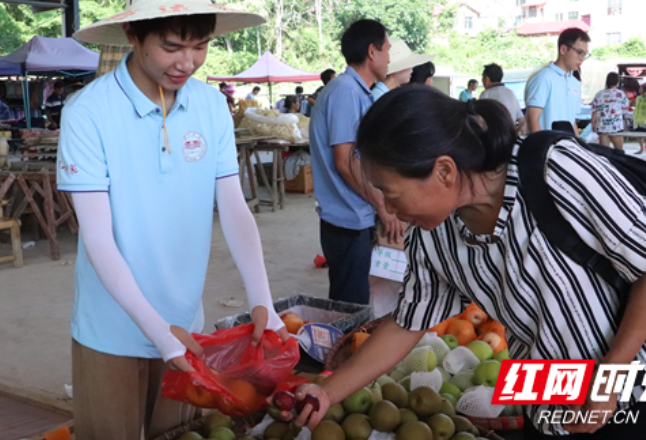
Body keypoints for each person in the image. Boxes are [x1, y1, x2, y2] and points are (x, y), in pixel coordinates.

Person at [290, 84, 646, 439]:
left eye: (391, 194)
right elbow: (408, 324)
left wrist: (609, 383)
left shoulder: (555, 170)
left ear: (444, 171)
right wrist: (328, 391)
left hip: (627, 383)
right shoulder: (432, 235)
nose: (387, 209)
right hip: (543, 388)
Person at [58, 2, 287, 439]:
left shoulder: (209, 106)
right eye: (172, 46)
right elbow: (99, 239)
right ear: (133, 35)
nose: (187, 62)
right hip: (111, 330)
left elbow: (234, 207)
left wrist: (264, 301)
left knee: (181, 435)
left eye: (200, 46)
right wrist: (160, 335)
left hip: (188, 322)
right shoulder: (88, 113)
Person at [309, 19, 404, 305]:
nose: (390, 59)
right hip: (346, 220)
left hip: (355, 216)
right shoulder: (346, 91)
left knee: (358, 299)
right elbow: (345, 161)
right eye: (387, 50)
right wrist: (381, 206)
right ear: (372, 52)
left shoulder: (357, 91)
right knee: (350, 306)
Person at [526, 28, 590, 133]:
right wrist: (543, 147)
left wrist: (577, 146)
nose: (582, 58)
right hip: (548, 146)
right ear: (563, 49)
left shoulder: (575, 83)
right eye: (579, 52)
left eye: (585, 55)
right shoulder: (543, 78)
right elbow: (532, 119)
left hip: (566, 147)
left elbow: (572, 122)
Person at [480, 63, 526, 135]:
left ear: (486, 79)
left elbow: (480, 121)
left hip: (493, 139)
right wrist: (514, 133)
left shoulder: (486, 94)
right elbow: (522, 121)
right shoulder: (511, 93)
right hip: (509, 139)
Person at [592, 72, 631, 149]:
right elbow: (626, 106)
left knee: (604, 153)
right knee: (619, 151)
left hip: (602, 126)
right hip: (616, 126)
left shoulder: (599, 94)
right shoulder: (620, 94)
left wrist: (593, 124)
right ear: (617, 82)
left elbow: (594, 110)